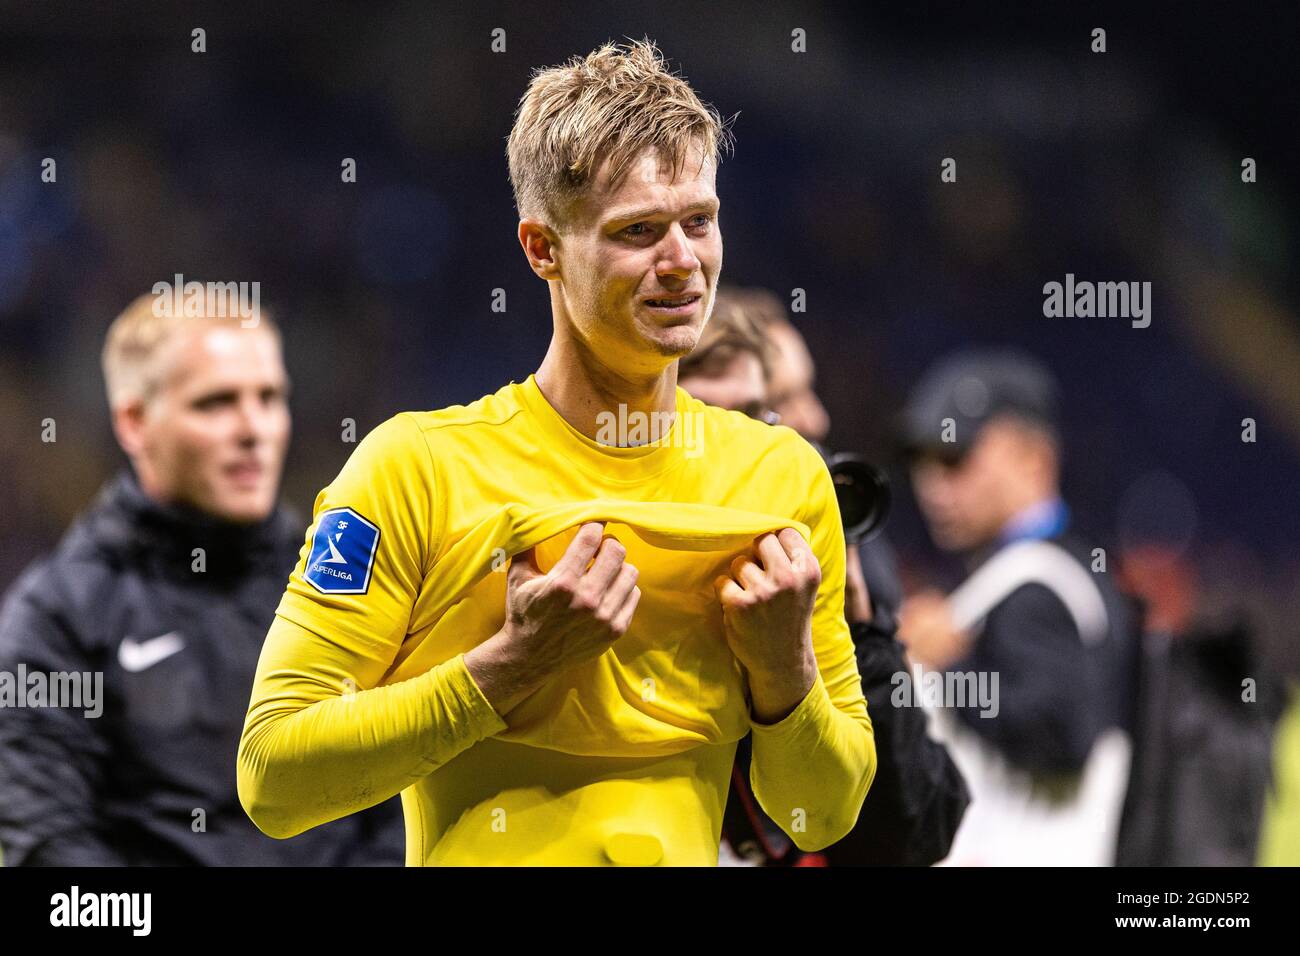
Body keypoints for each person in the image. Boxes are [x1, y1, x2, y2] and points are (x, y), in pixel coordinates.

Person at [236, 39, 876, 866]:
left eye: (700, 221)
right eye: (639, 231)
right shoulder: (415, 470)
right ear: (541, 249)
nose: (683, 262)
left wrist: (784, 671)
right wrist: (508, 666)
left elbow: (819, 816)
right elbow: (272, 779)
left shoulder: (779, 478)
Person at [0, 293, 405, 865]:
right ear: (135, 423)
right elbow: (49, 842)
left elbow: (397, 808)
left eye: (269, 398)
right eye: (216, 403)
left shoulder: (340, 587)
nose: (253, 429)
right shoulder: (58, 616)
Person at [680, 287, 969, 866]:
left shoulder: (831, 554)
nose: (813, 421)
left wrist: (860, 623)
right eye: (788, 402)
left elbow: (918, 833)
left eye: (764, 414)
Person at [897, 349, 1135, 865]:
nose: (933, 486)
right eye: (922, 461)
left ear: (1034, 459)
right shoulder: (1062, 571)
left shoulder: (1038, 588)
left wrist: (949, 665)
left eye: (956, 457)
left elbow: (1060, 735)